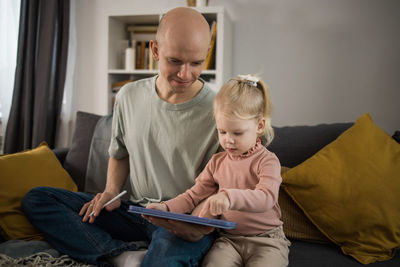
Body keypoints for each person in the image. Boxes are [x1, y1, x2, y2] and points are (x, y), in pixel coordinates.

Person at [21, 7, 220, 267]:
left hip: (183, 220)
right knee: (38, 199)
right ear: (156, 50)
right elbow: (120, 152)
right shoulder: (128, 96)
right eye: (175, 61)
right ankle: (120, 255)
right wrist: (111, 192)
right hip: (135, 211)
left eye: (196, 63)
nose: (185, 74)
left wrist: (201, 222)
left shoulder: (220, 110)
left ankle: (121, 256)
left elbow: (226, 182)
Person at [148, 74, 291, 267]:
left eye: (237, 133)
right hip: (229, 240)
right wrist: (165, 207)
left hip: (267, 240)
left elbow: (266, 198)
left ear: (259, 125)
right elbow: (192, 196)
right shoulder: (217, 162)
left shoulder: (267, 161)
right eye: (222, 132)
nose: (228, 140)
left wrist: (228, 197)